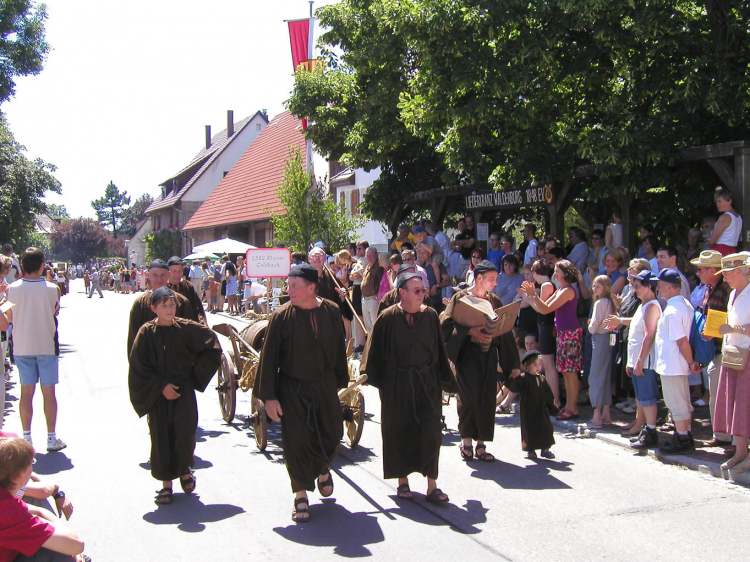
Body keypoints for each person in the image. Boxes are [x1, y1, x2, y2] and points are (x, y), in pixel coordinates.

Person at [255, 264, 349, 523]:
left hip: (324, 386)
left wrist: (342, 380)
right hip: (292, 389)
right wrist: (270, 397)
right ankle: (300, 495)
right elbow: (269, 357)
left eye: (294, 286)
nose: (289, 290)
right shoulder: (281, 316)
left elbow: (338, 348)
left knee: (332, 432)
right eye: (288, 285)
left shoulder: (330, 311)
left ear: (311, 287)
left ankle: (322, 468)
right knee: (296, 442)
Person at [361, 271, 456, 503]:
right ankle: (402, 481)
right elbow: (373, 354)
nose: (422, 294)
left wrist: (446, 380)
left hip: (426, 384)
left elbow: (439, 352)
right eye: (417, 291)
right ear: (402, 293)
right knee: (399, 431)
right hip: (397, 385)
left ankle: (432, 485)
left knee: (431, 433)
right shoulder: (386, 318)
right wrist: (381, 381)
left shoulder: (431, 316)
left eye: (423, 290)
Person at [128, 287, 221, 504]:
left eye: (172, 305)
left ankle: (185, 470)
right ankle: (166, 484)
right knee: (161, 437)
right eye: (164, 306)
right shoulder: (146, 333)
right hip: (158, 396)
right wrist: (161, 387)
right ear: (154, 308)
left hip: (183, 392)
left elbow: (212, 344)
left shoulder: (186, 329)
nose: (169, 310)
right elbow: (139, 367)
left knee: (185, 433)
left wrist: (194, 377)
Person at [442, 260, 520, 462]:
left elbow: (505, 332)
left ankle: (481, 444)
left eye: (496, 279)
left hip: (488, 355)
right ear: (479, 279)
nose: (495, 283)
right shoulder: (460, 298)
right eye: (491, 280)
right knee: (468, 397)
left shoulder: (494, 300)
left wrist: (512, 365)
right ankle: (466, 441)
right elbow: (446, 327)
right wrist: (469, 332)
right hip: (466, 355)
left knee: (486, 398)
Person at [2, 248, 65, 452]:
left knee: (26, 393)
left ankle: (27, 437)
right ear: (41, 265)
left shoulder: (11, 288)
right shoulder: (52, 288)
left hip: (22, 345)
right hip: (46, 344)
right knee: (49, 393)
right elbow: (55, 311)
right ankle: (51, 437)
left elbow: (9, 317)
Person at [0, 437, 88, 562]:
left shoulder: (5, 497)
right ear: (20, 475)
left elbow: (39, 511)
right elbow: (77, 545)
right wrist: (74, 553)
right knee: (60, 555)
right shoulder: (9, 511)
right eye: (31, 464)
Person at [520, 260, 582, 420]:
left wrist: (533, 295)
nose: (554, 273)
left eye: (557, 270)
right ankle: (569, 406)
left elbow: (546, 308)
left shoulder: (568, 290)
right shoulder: (561, 289)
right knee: (565, 371)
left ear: (564, 273)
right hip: (562, 333)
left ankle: (572, 407)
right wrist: (532, 297)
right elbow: (543, 308)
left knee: (570, 372)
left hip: (570, 333)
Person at [688, 250, 731, 446]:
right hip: (713, 350)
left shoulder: (725, 290)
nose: (698, 272)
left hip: (725, 350)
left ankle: (727, 437)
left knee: (724, 394)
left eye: (702, 269)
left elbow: (729, 321)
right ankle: (721, 435)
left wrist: (713, 332)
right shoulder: (708, 289)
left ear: (714, 270)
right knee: (715, 393)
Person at [654, 268, 700, 453]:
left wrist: (690, 362)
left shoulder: (672, 310)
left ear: (669, 287)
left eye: (661, 285)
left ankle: (682, 438)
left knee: (675, 402)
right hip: (677, 363)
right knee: (682, 400)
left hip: (672, 364)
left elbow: (681, 341)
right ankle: (685, 433)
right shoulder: (685, 304)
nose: (658, 288)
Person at [713, 253, 750, 473]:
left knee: (744, 402)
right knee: (735, 403)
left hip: (746, 354)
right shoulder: (734, 293)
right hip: (734, 353)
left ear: (741, 271)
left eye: (727, 273)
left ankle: (742, 454)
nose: (724, 278)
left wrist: (733, 329)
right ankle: (740, 452)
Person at [126, 260, 197, 355]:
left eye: (163, 275)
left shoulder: (181, 302)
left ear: (168, 275)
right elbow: (133, 337)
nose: (159, 279)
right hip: (149, 359)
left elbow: (192, 333)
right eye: (155, 275)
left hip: (177, 359)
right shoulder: (140, 304)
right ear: (148, 275)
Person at [505, 350, 557, 459]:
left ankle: (545, 449)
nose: (538, 367)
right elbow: (514, 387)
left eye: (539, 364)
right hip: (529, 410)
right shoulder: (523, 378)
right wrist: (512, 378)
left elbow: (548, 394)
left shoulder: (542, 378)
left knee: (546, 428)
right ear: (527, 366)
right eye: (535, 364)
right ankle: (531, 450)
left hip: (541, 410)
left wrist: (552, 406)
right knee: (530, 430)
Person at [587, 275, 614, 428]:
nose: (594, 289)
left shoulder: (600, 303)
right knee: (605, 375)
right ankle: (606, 412)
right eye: (594, 286)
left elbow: (594, 325)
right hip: (609, 339)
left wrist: (590, 326)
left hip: (600, 338)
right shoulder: (611, 302)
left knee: (595, 376)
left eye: (598, 286)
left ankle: (597, 415)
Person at [167, 257, 205, 323]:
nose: (177, 274)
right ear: (168, 272)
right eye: (174, 271)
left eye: (180, 271)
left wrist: (202, 322)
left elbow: (198, 307)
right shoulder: (163, 287)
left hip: (187, 326)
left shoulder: (188, 286)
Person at [708, 186, 742, 255]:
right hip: (732, 252)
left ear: (729, 201)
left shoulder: (725, 217)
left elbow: (712, 241)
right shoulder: (739, 217)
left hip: (720, 252)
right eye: (716, 202)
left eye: (720, 201)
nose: (717, 204)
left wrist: (709, 239)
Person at [360, 247, 384, 334]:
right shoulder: (368, 267)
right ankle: (371, 345)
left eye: (371, 255)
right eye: (367, 255)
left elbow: (381, 284)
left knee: (375, 325)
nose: (369, 257)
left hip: (374, 299)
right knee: (368, 326)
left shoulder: (379, 268)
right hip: (365, 299)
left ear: (376, 255)